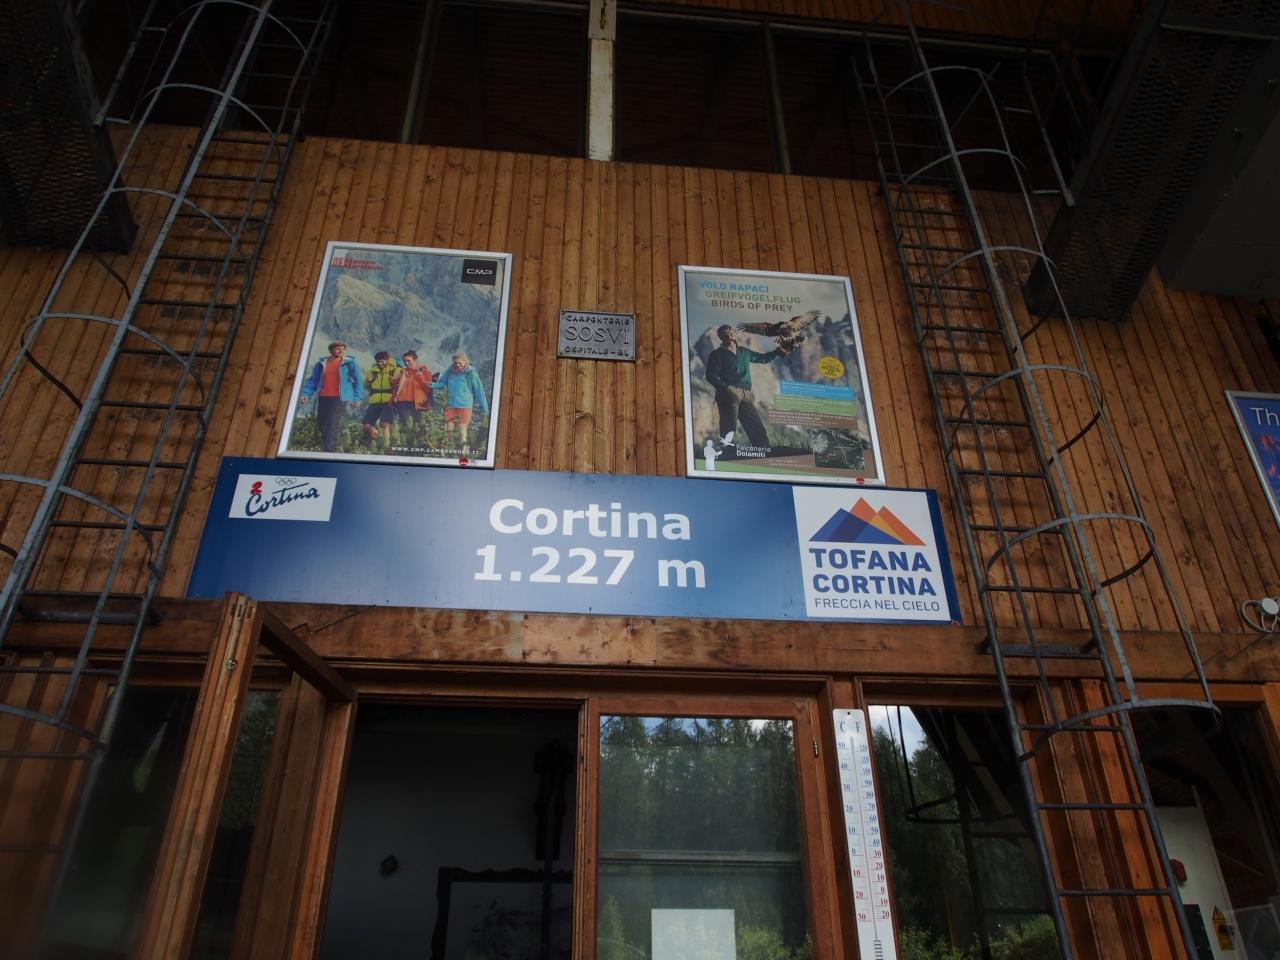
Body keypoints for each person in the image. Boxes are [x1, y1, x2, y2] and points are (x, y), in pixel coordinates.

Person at [704, 324, 785, 449]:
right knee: (728, 426)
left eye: (730, 332)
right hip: (728, 393)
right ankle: (727, 452)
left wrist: (779, 351)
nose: (728, 335)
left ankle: (763, 450)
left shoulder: (744, 352)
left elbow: (763, 358)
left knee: (755, 425)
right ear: (721, 337)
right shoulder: (717, 355)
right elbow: (710, 375)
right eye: (724, 333)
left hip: (746, 394)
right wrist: (725, 389)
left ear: (735, 334)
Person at [299, 340, 364, 453]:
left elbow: (358, 381)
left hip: (340, 398)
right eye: (338, 349)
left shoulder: (350, 363)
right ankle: (328, 445)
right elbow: (313, 380)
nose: (341, 351)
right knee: (322, 423)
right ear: (331, 350)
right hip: (323, 396)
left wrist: (357, 398)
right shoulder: (321, 364)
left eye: (343, 349)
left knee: (332, 422)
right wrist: (306, 394)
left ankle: (330, 451)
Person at [433, 351, 488, 455]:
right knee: (448, 431)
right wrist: (432, 385)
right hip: (451, 406)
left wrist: (484, 408)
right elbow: (441, 383)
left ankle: (463, 455)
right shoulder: (450, 371)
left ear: (465, 362)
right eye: (455, 363)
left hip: (465, 407)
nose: (457, 365)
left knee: (462, 432)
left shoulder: (471, 374)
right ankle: (449, 454)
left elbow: (479, 392)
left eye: (459, 363)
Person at [391, 350, 434, 428]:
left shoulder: (424, 371)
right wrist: (397, 377)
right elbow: (393, 383)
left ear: (415, 360)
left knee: (419, 426)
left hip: (419, 403)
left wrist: (419, 376)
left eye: (408, 361)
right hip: (402, 402)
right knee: (407, 425)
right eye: (404, 361)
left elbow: (428, 389)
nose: (406, 363)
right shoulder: (403, 372)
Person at [362, 351, 399, 442]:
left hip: (389, 400)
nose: (380, 364)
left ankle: (385, 445)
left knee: (384, 424)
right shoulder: (371, 371)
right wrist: (369, 381)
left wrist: (395, 380)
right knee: (366, 426)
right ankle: (381, 440)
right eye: (378, 361)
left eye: (382, 361)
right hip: (374, 400)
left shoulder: (395, 370)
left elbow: (401, 383)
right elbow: (365, 386)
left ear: (387, 360)